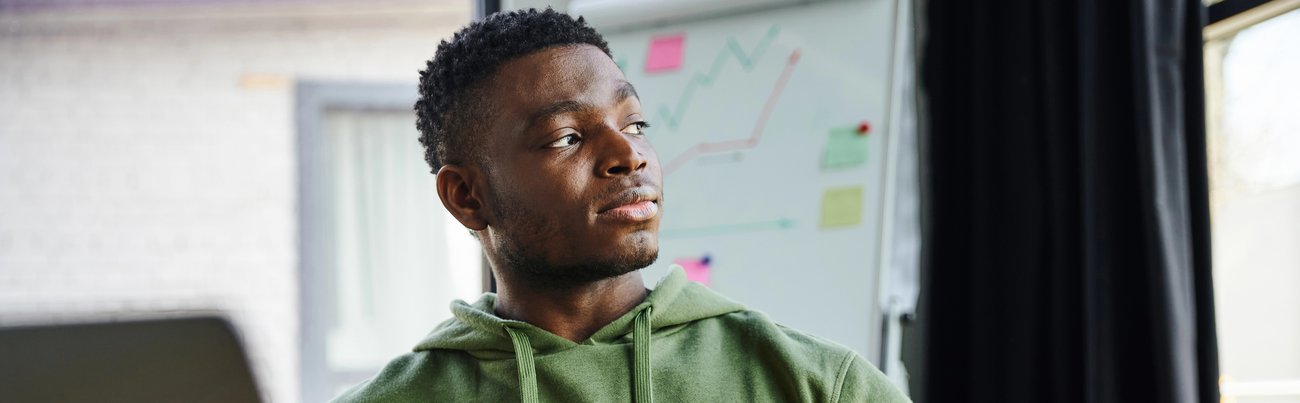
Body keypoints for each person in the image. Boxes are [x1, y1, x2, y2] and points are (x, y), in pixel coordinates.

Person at [333, 8, 910, 403]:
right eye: (566, 137)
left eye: (634, 124)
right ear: (467, 196)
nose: (629, 156)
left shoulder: (818, 385)